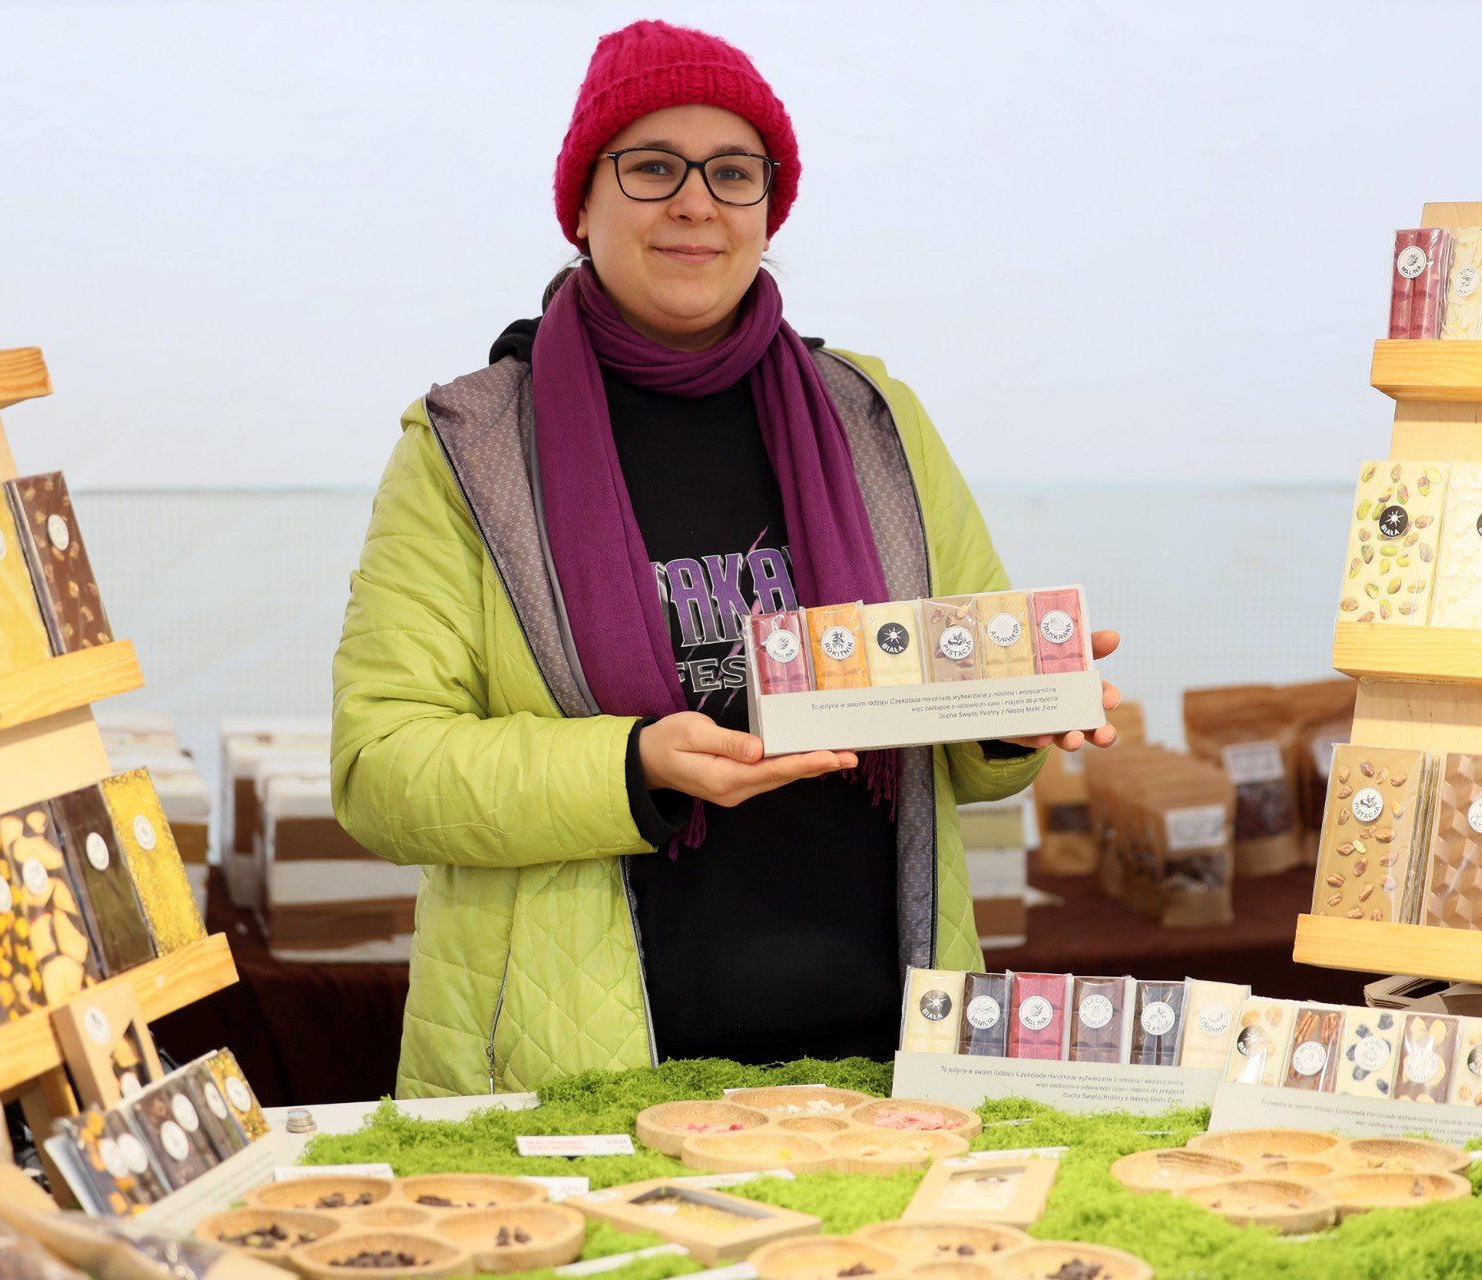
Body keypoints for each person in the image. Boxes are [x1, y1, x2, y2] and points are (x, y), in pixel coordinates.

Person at [331, 18, 1120, 1098]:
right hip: (586, 1072)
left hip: (886, 1060)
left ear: (768, 206)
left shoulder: (870, 419)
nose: (695, 202)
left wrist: (1010, 709)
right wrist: (633, 764)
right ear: (581, 203)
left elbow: (967, 727)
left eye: (732, 171)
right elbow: (380, 770)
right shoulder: (469, 452)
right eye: (652, 166)